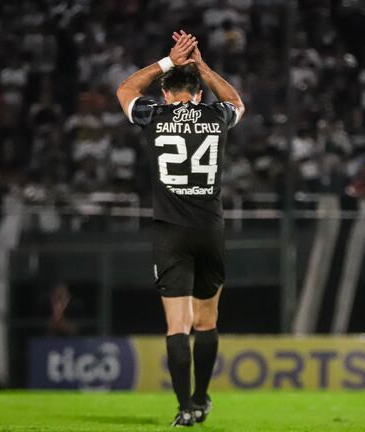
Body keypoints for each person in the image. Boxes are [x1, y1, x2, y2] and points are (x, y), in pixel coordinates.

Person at [116, 31, 244, 427]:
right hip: (209, 229)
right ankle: (204, 398)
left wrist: (170, 60)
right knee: (207, 322)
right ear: (199, 94)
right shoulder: (216, 115)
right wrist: (201, 65)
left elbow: (125, 89)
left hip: (170, 231)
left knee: (177, 325)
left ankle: (185, 406)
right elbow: (237, 101)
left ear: (167, 94)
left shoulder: (155, 115)